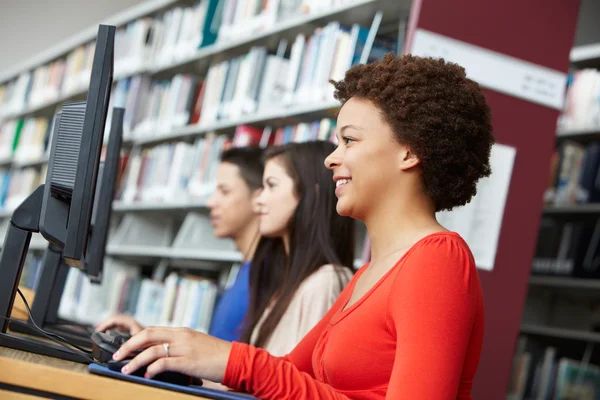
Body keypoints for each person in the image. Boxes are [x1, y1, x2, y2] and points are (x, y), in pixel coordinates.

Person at [113, 54, 494, 399]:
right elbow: (289, 372)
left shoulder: (437, 260)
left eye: (349, 141)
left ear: (409, 151)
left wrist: (234, 360)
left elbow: (266, 374)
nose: (331, 158)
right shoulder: (369, 274)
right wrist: (177, 355)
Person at [95, 146, 264, 342]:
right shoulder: (247, 272)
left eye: (224, 192)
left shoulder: (264, 279)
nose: (211, 202)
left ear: (258, 198)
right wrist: (149, 339)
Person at [241, 141, 356, 356]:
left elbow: (303, 382)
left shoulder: (325, 282)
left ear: (310, 194)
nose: (259, 201)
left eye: (271, 185)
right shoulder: (287, 283)